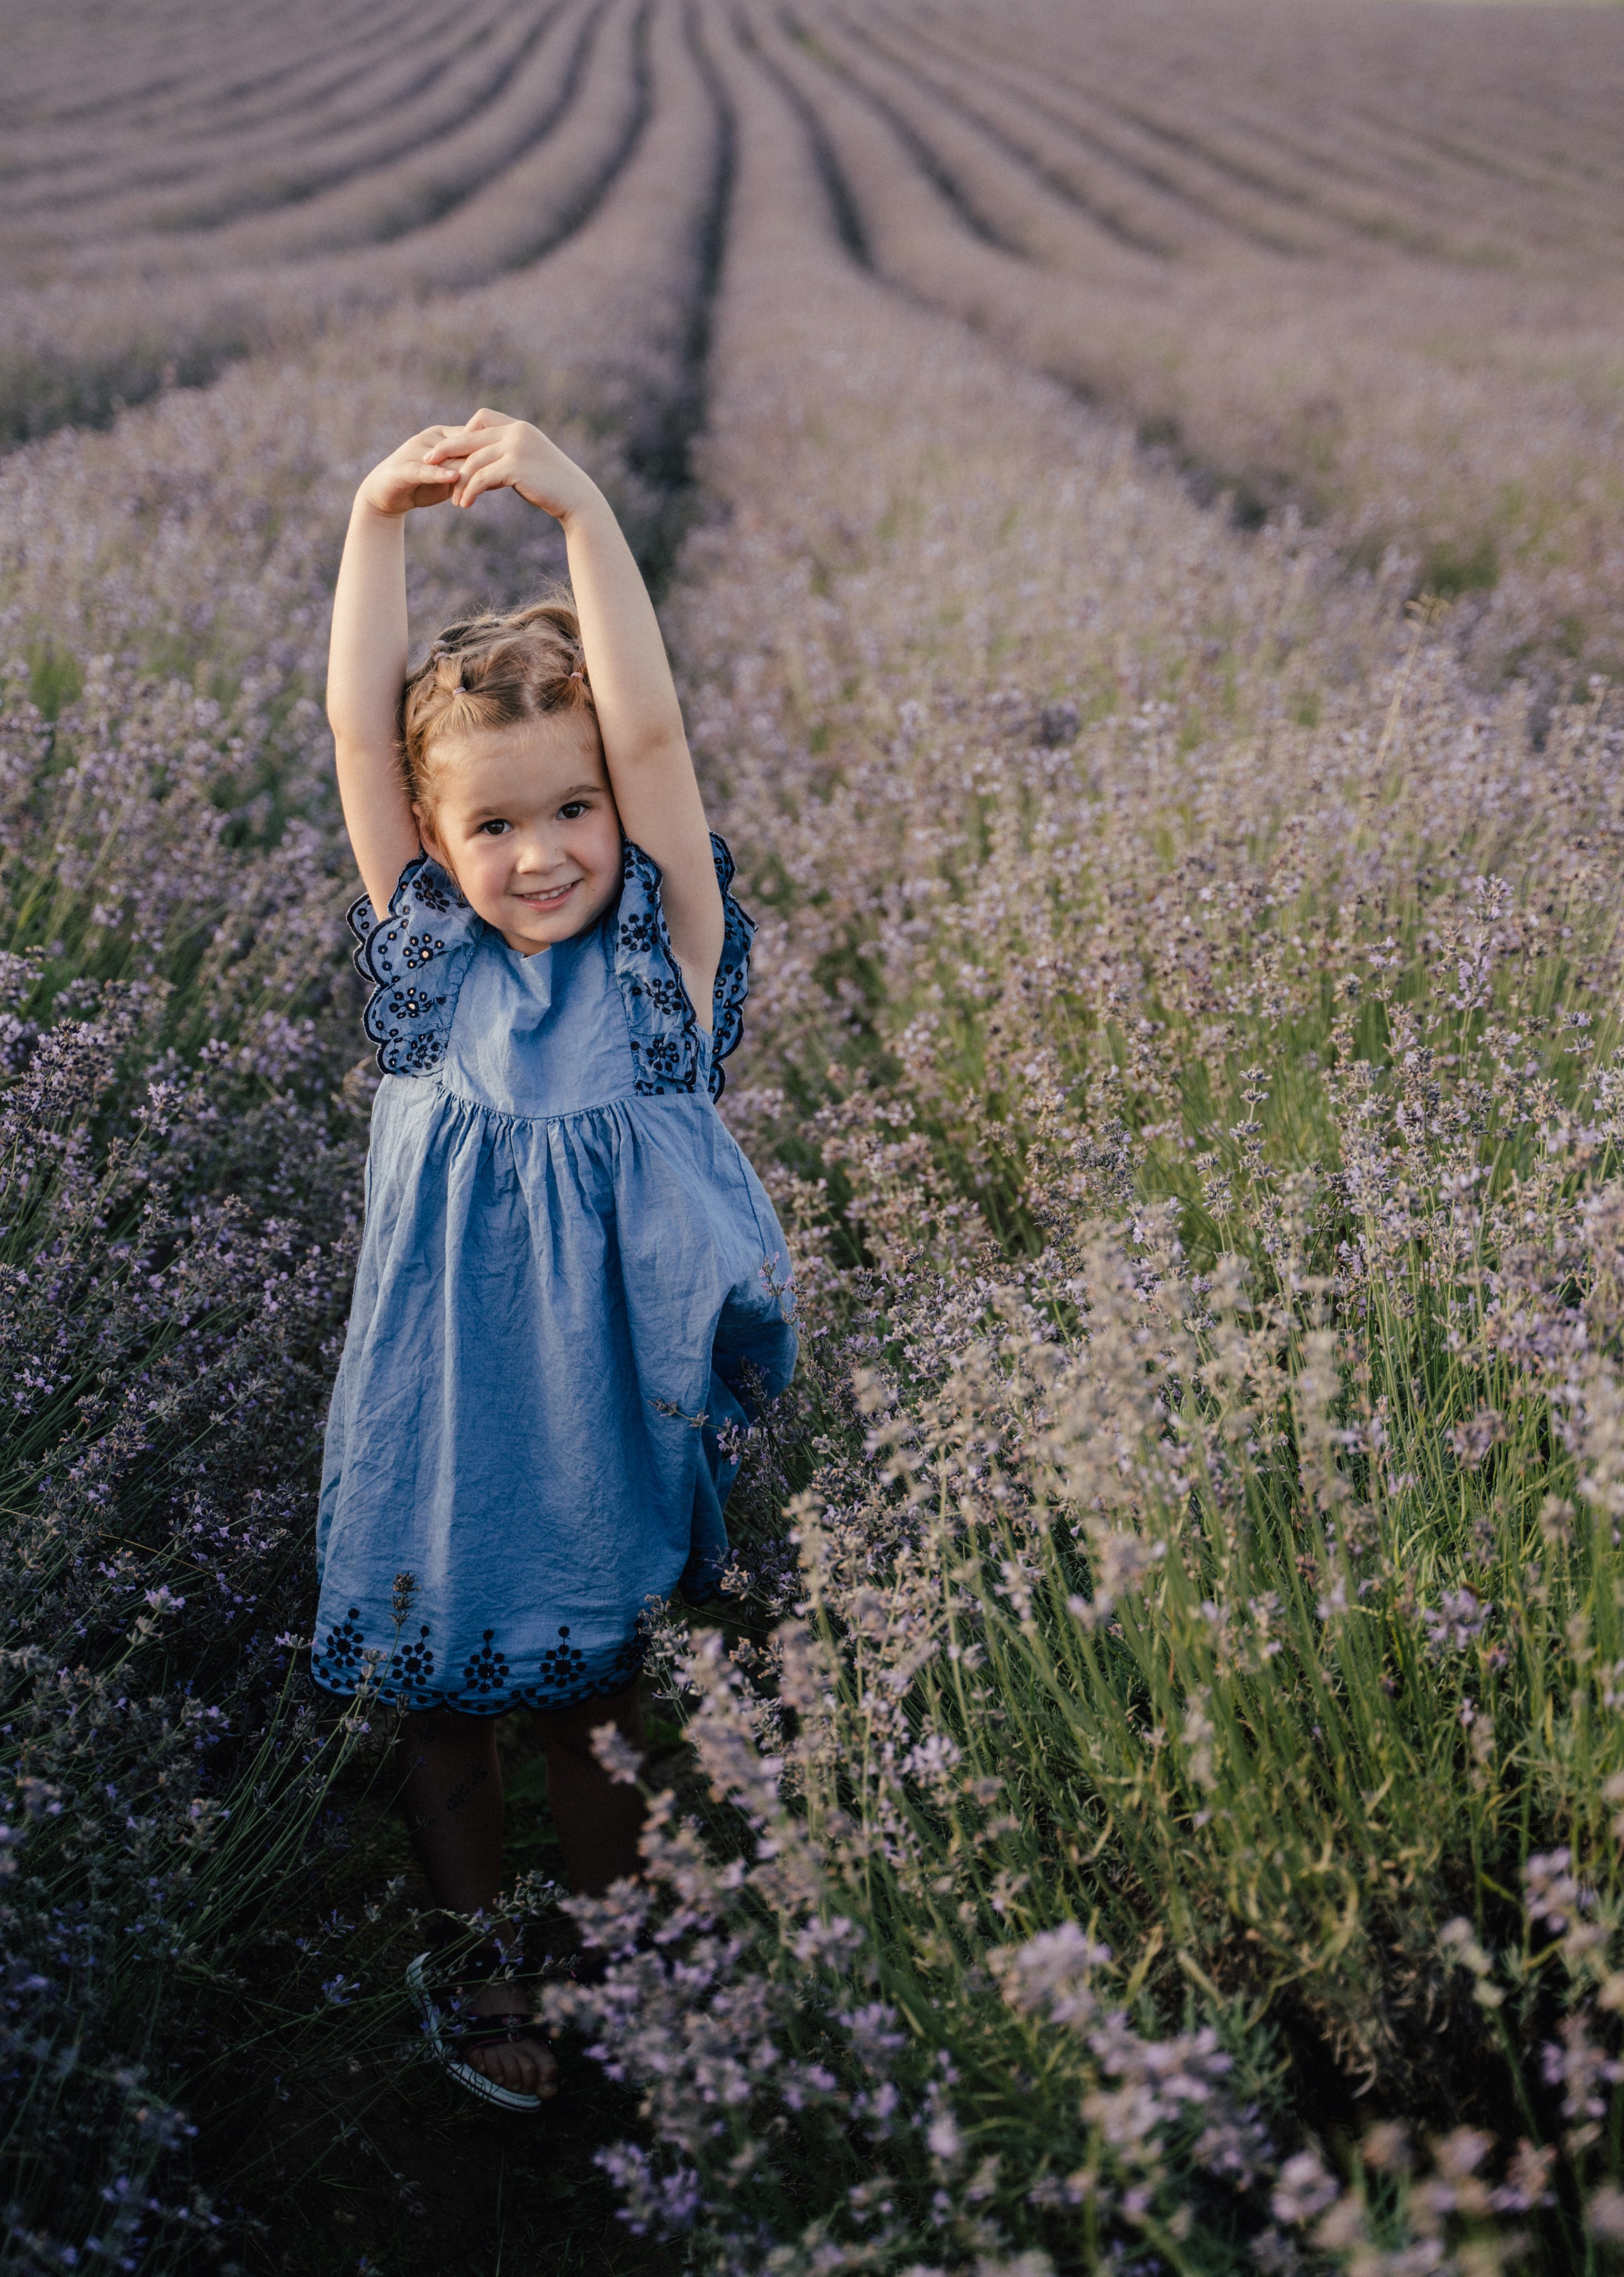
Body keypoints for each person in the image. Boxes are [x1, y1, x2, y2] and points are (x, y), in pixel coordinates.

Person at [311, 407, 797, 2110]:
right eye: (499, 826)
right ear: (441, 852)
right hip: (438, 1406)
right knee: (441, 1705)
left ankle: (608, 1971)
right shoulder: (428, 964)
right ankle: (472, 1969)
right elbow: (364, 748)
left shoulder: (664, 970)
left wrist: (582, 499)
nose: (544, 852)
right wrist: (376, 521)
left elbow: (652, 727)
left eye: (574, 807)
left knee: (593, 1710)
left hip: (598, 1402)